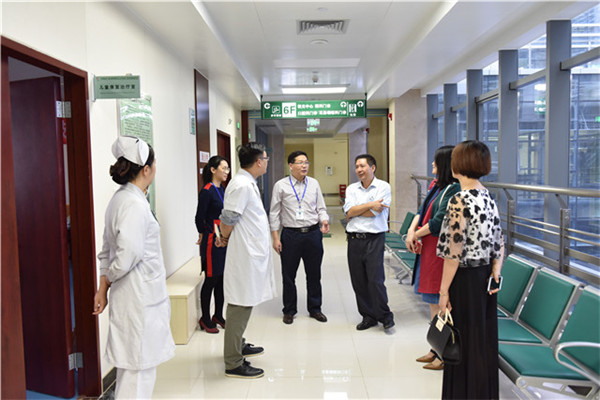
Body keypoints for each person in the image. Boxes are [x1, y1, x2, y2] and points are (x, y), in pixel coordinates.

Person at [93, 136, 175, 399]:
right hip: (138, 298)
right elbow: (127, 255)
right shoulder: (134, 205)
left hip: (134, 297)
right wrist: (107, 281)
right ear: (146, 169)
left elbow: (106, 250)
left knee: (132, 370)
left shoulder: (121, 199)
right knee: (139, 373)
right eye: (154, 163)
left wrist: (103, 286)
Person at [436, 140, 505, 399]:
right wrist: (495, 272)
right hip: (485, 278)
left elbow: (453, 253)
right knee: (481, 340)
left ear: (459, 165)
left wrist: (443, 291)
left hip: (464, 279)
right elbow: (499, 241)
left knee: (462, 340)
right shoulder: (488, 197)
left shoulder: (459, 200)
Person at [215, 142, 276, 379]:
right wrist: (224, 237)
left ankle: (238, 344)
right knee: (239, 305)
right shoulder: (241, 184)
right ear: (259, 161)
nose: (267, 162)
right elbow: (229, 217)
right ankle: (233, 362)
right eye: (265, 159)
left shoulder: (247, 182)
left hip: (250, 253)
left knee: (245, 300)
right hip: (244, 255)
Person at [406, 145, 460, 370]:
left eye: (436, 161)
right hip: (428, 250)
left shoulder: (454, 190)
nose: (432, 165)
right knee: (431, 302)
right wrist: (411, 231)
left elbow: (438, 222)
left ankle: (443, 352)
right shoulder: (436, 186)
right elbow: (421, 211)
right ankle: (435, 346)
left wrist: (416, 234)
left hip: (439, 253)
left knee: (440, 302)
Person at [269, 151, 330, 325]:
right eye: (300, 162)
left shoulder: (314, 183)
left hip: (313, 234)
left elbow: (321, 208)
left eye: (306, 162)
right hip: (291, 235)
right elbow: (274, 213)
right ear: (291, 165)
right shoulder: (281, 186)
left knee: (314, 274)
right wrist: (275, 238)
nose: (304, 166)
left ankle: (315, 308)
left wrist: (324, 220)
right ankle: (289, 310)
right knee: (288, 275)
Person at [343, 154, 394, 331]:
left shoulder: (383, 186)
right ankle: (368, 316)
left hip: (374, 239)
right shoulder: (352, 188)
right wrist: (370, 205)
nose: (359, 169)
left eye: (362, 166)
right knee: (358, 281)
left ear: (372, 168)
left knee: (375, 279)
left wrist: (358, 210)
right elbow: (349, 212)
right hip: (354, 239)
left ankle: (385, 316)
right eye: (357, 166)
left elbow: (376, 213)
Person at [195, 155, 230, 333]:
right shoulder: (207, 191)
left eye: (227, 168)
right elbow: (199, 218)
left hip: (223, 238)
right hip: (211, 240)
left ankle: (218, 315)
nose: (226, 172)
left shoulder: (222, 189)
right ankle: (205, 318)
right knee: (211, 279)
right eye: (223, 168)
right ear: (213, 170)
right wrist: (204, 233)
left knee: (221, 279)